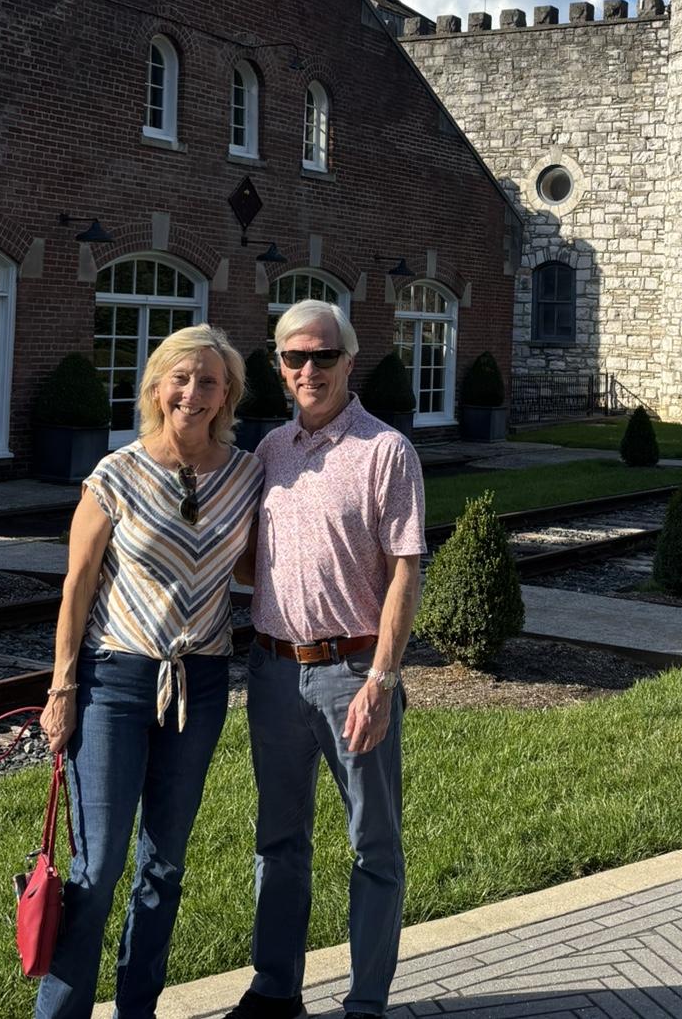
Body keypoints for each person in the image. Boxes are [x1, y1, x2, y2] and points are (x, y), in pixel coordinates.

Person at [36, 324, 263, 1019]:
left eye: (210, 382)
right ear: (158, 387)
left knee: (164, 867)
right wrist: (62, 687)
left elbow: (254, 569)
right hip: (115, 683)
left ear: (228, 395)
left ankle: (139, 1009)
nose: (193, 393)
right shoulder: (116, 473)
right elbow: (77, 587)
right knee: (98, 868)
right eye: (181, 378)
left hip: (202, 681)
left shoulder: (246, 472)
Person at [227, 299, 425, 1019]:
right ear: (278, 368)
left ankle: (365, 1001)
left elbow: (407, 569)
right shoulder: (269, 452)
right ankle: (275, 989)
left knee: (373, 843)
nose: (309, 370)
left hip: (354, 674)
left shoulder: (385, 451)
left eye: (323, 356)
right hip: (274, 672)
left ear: (350, 359)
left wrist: (382, 677)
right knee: (278, 840)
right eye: (294, 358)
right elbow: (252, 565)